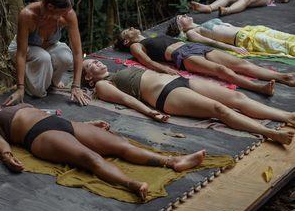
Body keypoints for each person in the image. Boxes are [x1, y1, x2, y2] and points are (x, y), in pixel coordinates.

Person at [0, 97, 207, 200]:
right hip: (40, 136)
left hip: (63, 123)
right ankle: (132, 185)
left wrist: (86, 124)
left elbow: (47, 113)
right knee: (91, 158)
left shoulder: (17, 103)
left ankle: (173, 162)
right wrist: (6, 155)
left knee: (120, 144)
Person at [82, 59, 295, 145]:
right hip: (165, 95)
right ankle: (272, 134)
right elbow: (125, 99)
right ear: (89, 78)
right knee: (219, 109)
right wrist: (149, 112)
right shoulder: (102, 85)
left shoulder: (118, 70)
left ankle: (287, 116)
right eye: (90, 64)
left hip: (178, 81)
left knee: (237, 98)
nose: (96, 61)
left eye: (94, 59)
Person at [115, 26, 295, 95]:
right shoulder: (135, 46)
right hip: (184, 56)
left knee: (241, 64)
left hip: (195, 47)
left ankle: (282, 77)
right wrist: (164, 69)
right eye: (127, 31)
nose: (131, 28)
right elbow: (145, 61)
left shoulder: (151, 35)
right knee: (221, 71)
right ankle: (258, 88)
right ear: (126, 40)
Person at [5, 0, 89, 106]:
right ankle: (33, 83)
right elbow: (21, 54)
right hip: (24, 49)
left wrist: (76, 86)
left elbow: (77, 51)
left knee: (65, 56)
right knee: (42, 65)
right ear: (50, 7)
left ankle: (51, 81)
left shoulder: (69, 14)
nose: (66, 15)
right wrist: (20, 88)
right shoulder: (27, 15)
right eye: (62, 13)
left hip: (49, 47)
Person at [166, 15, 295, 74]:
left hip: (249, 30)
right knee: (283, 45)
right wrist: (233, 48)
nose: (185, 15)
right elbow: (212, 43)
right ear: (180, 27)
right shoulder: (191, 33)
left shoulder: (199, 26)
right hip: (243, 39)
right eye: (181, 17)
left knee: (287, 38)